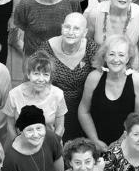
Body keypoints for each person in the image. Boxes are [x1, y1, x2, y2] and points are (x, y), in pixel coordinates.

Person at [78, 35, 139, 150]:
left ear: (128, 58)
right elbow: (84, 111)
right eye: (111, 54)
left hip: (126, 144)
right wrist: (94, 140)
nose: (116, 59)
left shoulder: (138, 82)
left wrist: (120, 143)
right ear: (104, 56)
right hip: (94, 143)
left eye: (121, 55)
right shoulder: (94, 78)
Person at [37, 12, 99, 140]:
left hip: (83, 107)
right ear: (62, 27)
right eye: (67, 27)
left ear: (85, 32)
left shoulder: (91, 48)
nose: (71, 32)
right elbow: (36, 77)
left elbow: (100, 77)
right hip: (53, 108)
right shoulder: (47, 48)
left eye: (76, 28)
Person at [3, 50, 68, 138]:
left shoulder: (58, 94)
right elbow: (10, 126)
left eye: (45, 74)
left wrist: (52, 144)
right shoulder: (14, 94)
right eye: (36, 73)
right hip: (21, 142)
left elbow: (60, 127)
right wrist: (17, 143)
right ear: (28, 74)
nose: (41, 79)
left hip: (50, 142)